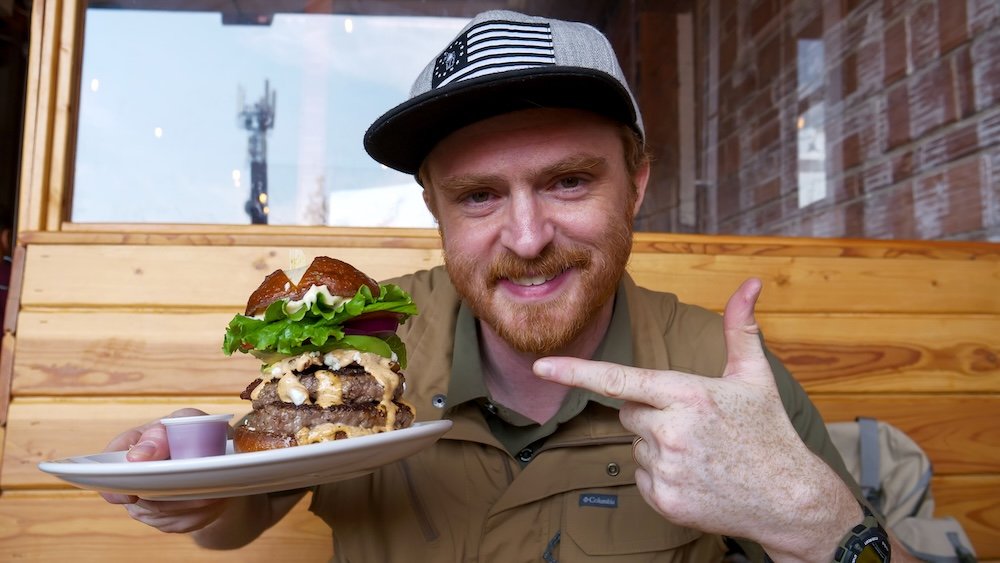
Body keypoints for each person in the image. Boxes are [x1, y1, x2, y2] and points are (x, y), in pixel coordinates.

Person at [103, 10, 919, 562]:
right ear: (434, 208)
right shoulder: (360, 340)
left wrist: (820, 523)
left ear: (635, 184)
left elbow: (841, 534)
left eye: (568, 181)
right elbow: (239, 501)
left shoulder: (723, 371)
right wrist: (183, 470)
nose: (527, 239)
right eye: (479, 195)